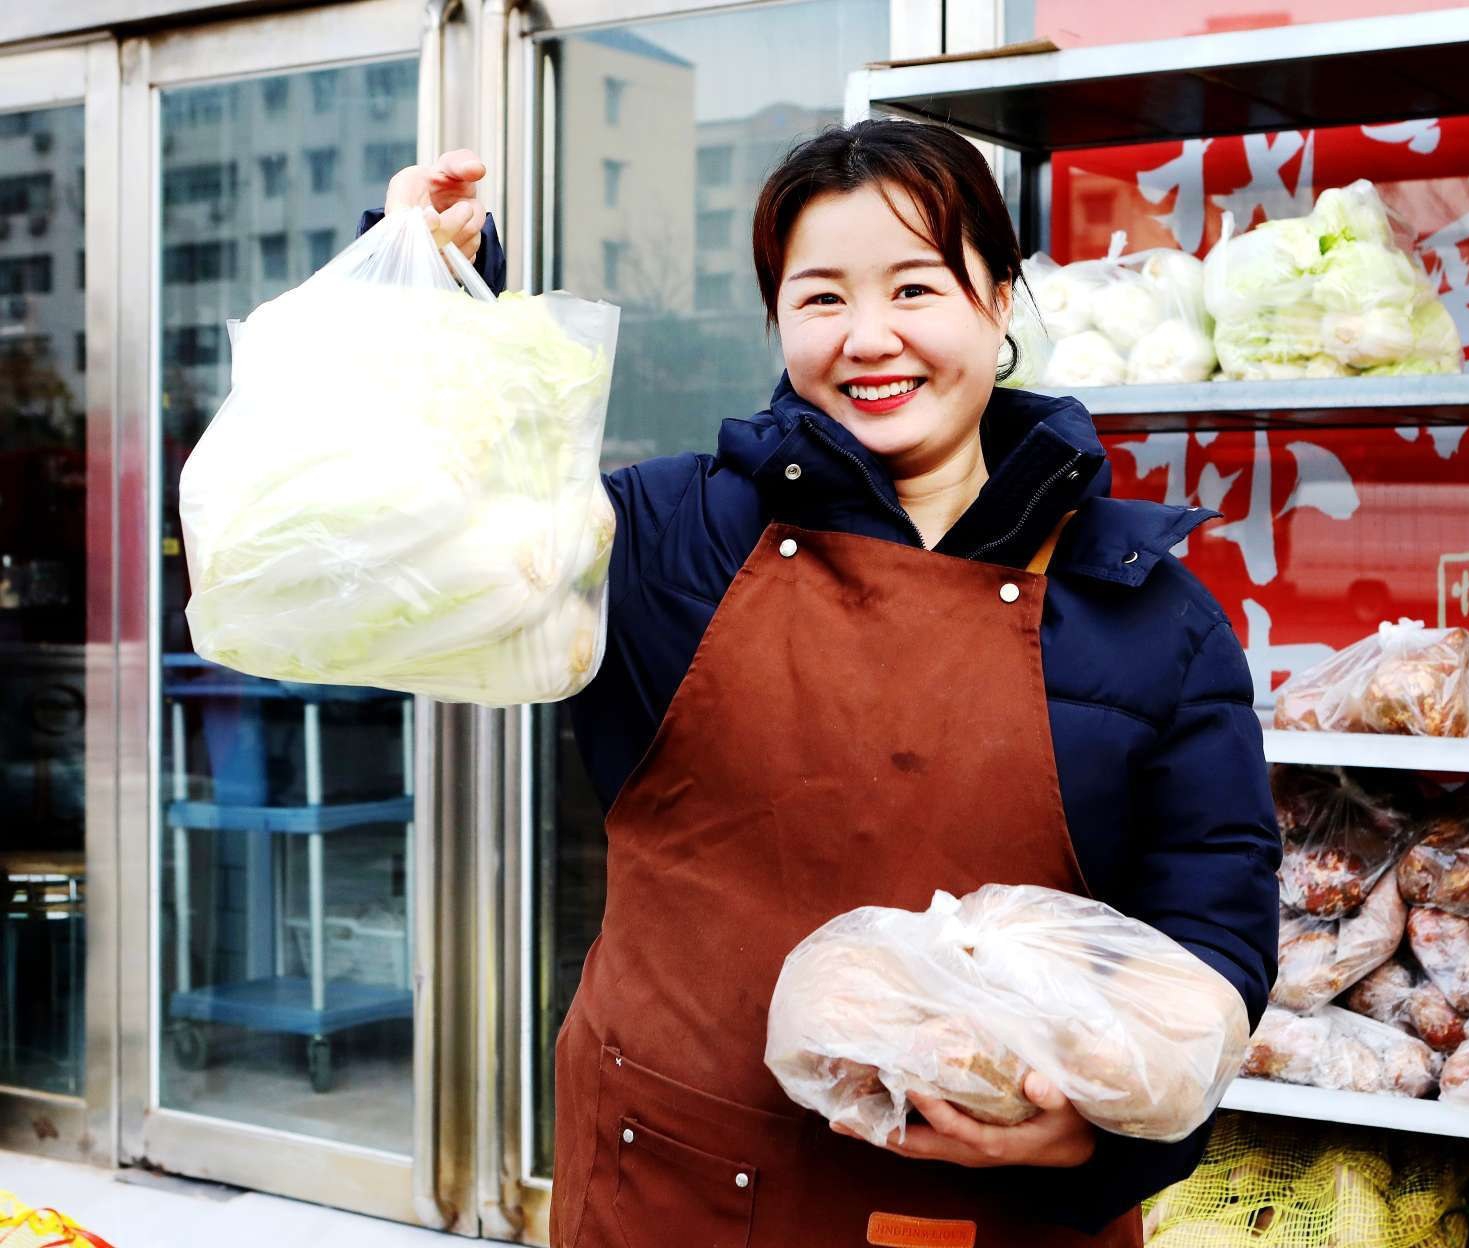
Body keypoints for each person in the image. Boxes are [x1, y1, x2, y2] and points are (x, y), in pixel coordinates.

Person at [374, 120, 1278, 1247]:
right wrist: (435, 289)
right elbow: (438, 520)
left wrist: (1103, 1141)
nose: (869, 338)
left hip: (994, 1213)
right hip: (675, 1195)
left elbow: (1209, 924)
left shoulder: (1146, 612)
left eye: (915, 287)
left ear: (1000, 300)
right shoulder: (665, 539)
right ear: (778, 322)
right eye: (820, 299)